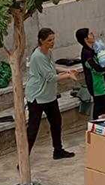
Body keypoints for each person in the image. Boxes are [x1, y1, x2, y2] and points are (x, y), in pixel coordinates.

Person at [24, 28, 71, 160]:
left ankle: (58, 150)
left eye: (53, 39)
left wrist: (67, 70)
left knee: (56, 123)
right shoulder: (37, 56)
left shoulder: (48, 53)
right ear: (41, 41)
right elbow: (50, 77)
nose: (52, 42)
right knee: (33, 129)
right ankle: (23, 159)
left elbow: (53, 67)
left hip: (49, 96)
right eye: (49, 40)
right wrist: (67, 75)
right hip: (37, 97)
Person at [76, 28, 105, 120]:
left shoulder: (93, 49)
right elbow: (97, 68)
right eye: (90, 34)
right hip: (96, 84)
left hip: (102, 82)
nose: (93, 35)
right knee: (101, 106)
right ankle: (97, 126)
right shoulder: (86, 53)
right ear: (86, 39)